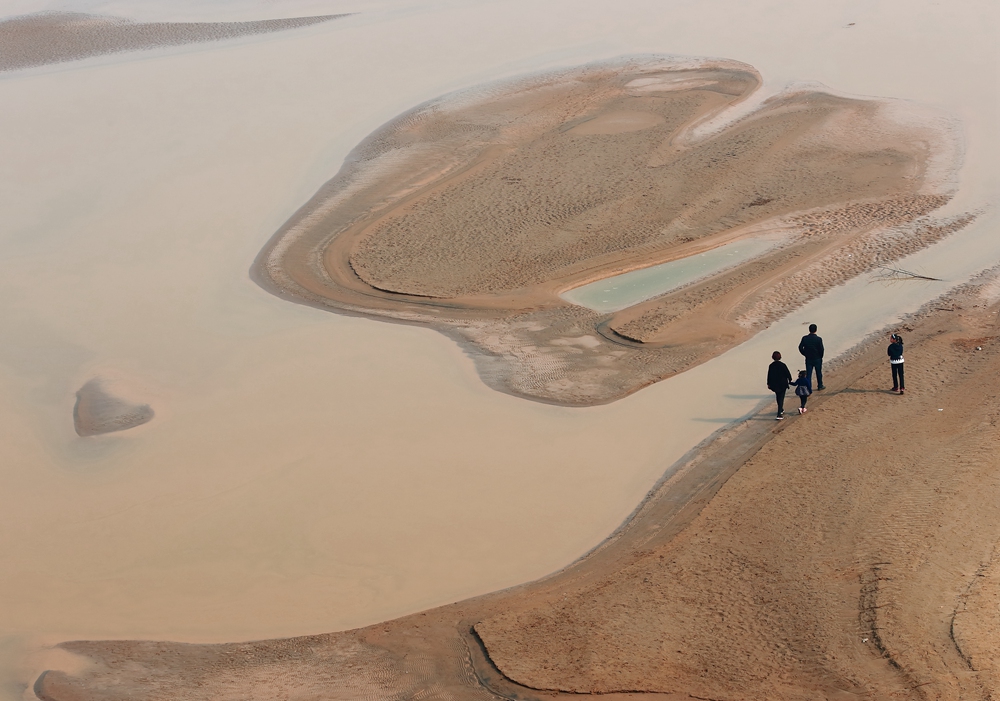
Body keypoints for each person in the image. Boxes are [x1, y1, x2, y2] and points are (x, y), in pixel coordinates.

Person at [767, 351, 793, 420]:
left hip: (775, 385)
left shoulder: (771, 365)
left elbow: (769, 375)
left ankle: (781, 409)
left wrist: (768, 383)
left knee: (778, 397)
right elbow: (787, 373)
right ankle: (779, 414)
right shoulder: (782, 365)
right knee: (781, 398)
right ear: (780, 357)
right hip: (782, 384)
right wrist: (790, 379)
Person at [798, 323, 825, 390]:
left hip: (808, 358)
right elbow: (821, 349)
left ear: (809, 330)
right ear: (816, 330)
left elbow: (800, 347)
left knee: (809, 374)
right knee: (818, 372)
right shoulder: (818, 339)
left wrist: (804, 354)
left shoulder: (805, 338)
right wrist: (820, 356)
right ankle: (820, 385)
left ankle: (808, 387)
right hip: (817, 358)